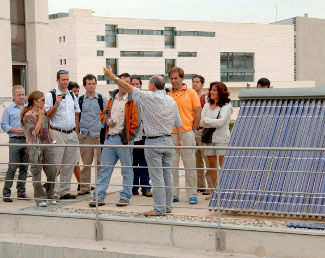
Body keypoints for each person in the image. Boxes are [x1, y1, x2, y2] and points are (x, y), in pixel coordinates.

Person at [102, 66, 183, 216]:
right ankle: (168, 206)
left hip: (154, 142)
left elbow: (128, 87)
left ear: (152, 85)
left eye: (148, 84)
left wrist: (111, 76)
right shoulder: (171, 100)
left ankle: (159, 209)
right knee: (168, 176)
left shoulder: (149, 97)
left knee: (157, 177)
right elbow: (179, 123)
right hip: (168, 141)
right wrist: (179, 141)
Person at [89, 73, 140, 208]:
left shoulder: (133, 100)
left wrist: (128, 137)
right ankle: (98, 197)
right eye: (123, 82)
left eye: (128, 82)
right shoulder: (112, 99)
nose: (125, 84)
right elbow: (103, 114)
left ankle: (125, 197)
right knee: (105, 169)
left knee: (127, 170)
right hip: (109, 139)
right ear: (118, 83)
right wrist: (107, 121)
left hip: (124, 141)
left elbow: (136, 123)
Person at [167, 67, 201, 204]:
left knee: (190, 165)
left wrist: (193, 129)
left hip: (187, 133)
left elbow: (197, 112)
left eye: (176, 78)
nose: (174, 81)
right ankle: (174, 194)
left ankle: (192, 194)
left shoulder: (191, 93)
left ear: (182, 78)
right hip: (172, 134)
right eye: (172, 79)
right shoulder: (168, 95)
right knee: (172, 166)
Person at [45, 70, 80, 200]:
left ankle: (64, 191)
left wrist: (76, 132)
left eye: (67, 79)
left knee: (69, 164)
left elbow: (76, 114)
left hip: (71, 133)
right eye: (63, 79)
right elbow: (47, 115)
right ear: (57, 80)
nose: (65, 82)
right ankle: (52, 192)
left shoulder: (72, 95)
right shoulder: (51, 95)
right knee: (56, 164)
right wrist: (57, 104)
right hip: (57, 132)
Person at [21, 91, 57, 207]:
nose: (44, 102)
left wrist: (53, 140)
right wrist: (40, 116)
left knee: (52, 171)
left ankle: (50, 195)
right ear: (35, 102)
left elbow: (48, 126)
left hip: (46, 145)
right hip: (35, 148)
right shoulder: (28, 116)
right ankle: (40, 198)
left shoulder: (44, 113)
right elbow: (35, 132)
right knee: (37, 174)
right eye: (42, 100)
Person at [78, 74, 108, 195]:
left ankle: (100, 188)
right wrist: (78, 132)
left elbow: (107, 114)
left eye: (93, 83)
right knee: (86, 163)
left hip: (98, 135)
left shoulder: (102, 98)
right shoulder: (80, 100)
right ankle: (84, 187)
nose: (92, 86)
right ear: (85, 85)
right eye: (89, 84)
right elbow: (77, 116)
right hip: (85, 135)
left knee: (100, 163)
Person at [200, 82, 233, 187]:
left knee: (223, 165)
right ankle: (215, 192)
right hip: (209, 140)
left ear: (221, 92)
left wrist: (207, 120)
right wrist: (212, 120)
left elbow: (221, 122)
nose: (211, 92)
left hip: (222, 140)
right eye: (211, 90)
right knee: (212, 166)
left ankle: (225, 190)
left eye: (214, 90)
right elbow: (201, 122)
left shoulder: (226, 106)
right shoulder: (206, 105)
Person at [1, 85, 29, 202]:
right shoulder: (8, 109)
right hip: (15, 140)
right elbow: (3, 124)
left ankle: (21, 192)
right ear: (13, 96)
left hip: (27, 141)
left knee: (24, 167)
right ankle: (6, 193)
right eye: (19, 95)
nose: (22, 97)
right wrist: (15, 130)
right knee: (12, 167)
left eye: (23, 94)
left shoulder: (28, 108)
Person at [131, 75, 152, 197]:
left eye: (136, 84)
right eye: (132, 84)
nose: (134, 86)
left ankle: (146, 188)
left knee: (144, 164)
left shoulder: (145, 99)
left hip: (144, 137)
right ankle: (133, 188)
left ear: (141, 85)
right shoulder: (127, 99)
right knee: (132, 165)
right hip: (132, 138)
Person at [192, 75, 213, 195]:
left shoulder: (205, 98)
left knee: (207, 159)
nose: (195, 84)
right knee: (196, 160)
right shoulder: (190, 96)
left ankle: (210, 185)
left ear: (202, 84)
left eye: (197, 82)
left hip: (202, 131)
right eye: (193, 82)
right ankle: (200, 185)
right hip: (192, 132)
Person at [68, 81, 81, 190]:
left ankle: (81, 183)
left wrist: (77, 132)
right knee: (69, 161)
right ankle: (51, 181)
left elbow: (77, 118)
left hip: (74, 134)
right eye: (74, 91)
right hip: (67, 134)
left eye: (78, 91)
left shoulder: (77, 101)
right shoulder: (66, 102)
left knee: (75, 160)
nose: (76, 93)